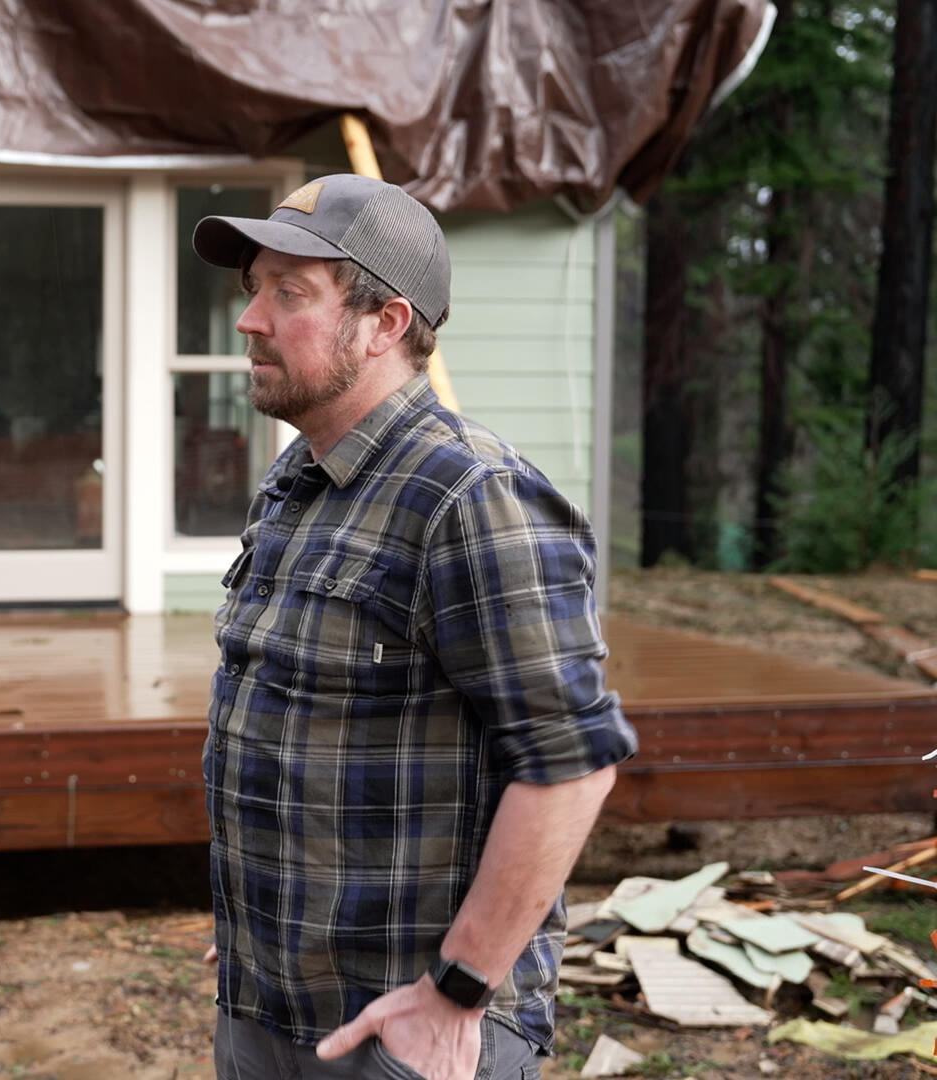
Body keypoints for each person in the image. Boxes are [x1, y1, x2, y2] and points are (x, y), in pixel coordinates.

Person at [190, 175, 639, 1080]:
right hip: (270, 1002)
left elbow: (572, 765)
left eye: (291, 292)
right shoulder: (297, 485)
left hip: (411, 1032)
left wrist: (460, 988)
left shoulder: (472, 498)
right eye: (254, 290)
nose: (252, 321)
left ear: (385, 323)